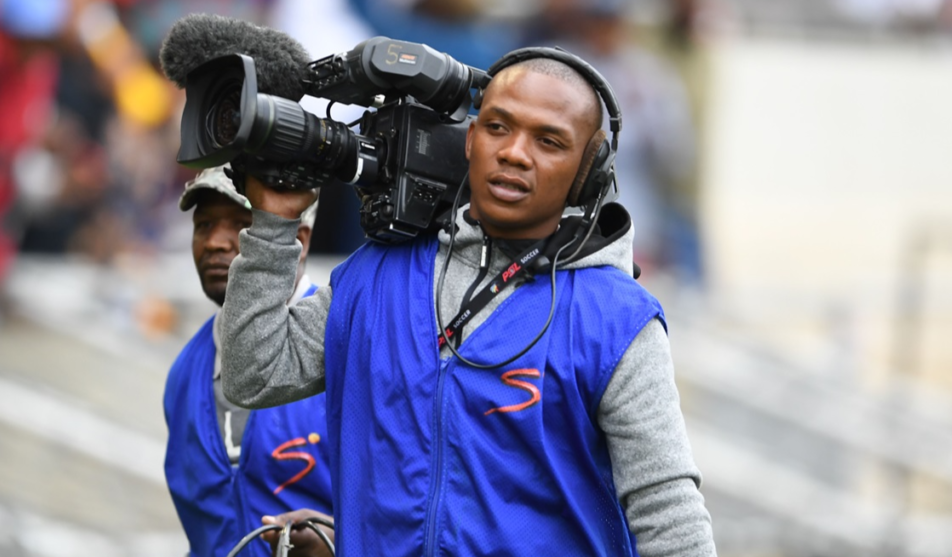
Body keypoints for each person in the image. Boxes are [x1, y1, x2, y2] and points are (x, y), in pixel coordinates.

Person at [219, 50, 716, 555]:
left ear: (586, 173)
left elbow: (668, 512)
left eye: (549, 141)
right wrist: (274, 225)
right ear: (472, 139)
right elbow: (253, 373)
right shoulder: (376, 274)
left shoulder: (616, 320)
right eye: (499, 128)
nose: (515, 153)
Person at [164, 165, 332, 557]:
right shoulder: (186, 374)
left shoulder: (341, 351)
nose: (215, 243)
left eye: (242, 224)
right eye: (203, 225)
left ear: (299, 241)